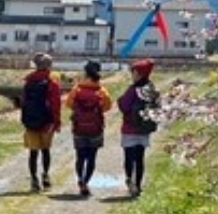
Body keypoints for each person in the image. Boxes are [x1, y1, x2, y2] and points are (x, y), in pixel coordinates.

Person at [65, 60, 113, 197]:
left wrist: (78, 110)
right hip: (95, 129)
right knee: (92, 157)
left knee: (80, 156)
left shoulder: (77, 89)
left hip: (79, 128)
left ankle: (80, 179)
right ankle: (86, 182)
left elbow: (68, 104)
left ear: (85, 72)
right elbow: (108, 107)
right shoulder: (101, 90)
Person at [19, 52, 62, 193]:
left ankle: (33, 179)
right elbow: (56, 104)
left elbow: (24, 102)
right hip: (47, 122)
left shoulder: (28, 80)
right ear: (49, 66)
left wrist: (25, 118)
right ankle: (45, 175)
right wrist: (56, 122)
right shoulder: (51, 82)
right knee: (45, 150)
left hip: (30, 121)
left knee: (33, 152)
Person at [117, 58, 160, 198]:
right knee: (140, 158)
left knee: (129, 157)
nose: (132, 74)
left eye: (134, 72)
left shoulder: (133, 90)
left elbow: (124, 106)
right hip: (143, 129)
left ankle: (130, 180)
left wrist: (119, 100)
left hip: (129, 128)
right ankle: (138, 185)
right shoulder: (151, 89)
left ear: (140, 73)